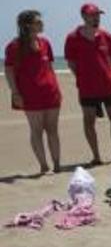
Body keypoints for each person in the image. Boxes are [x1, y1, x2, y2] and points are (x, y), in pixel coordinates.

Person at [64, 3, 111, 165]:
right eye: (92, 15)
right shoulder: (72, 37)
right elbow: (71, 64)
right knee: (89, 121)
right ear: (84, 16)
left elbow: (110, 60)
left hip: (108, 85)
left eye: (98, 15)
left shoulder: (107, 36)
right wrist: (83, 78)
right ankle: (96, 156)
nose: (96, 18)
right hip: (87, 87)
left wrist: (103, 74)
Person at [4, 10, 62, 174]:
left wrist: (57, 88)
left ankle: (57, 164)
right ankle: (43, 165)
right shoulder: (14, 46)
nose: (42, 24)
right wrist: (15, 93)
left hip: (50, 92)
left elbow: (49, 68)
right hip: (29, 95)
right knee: (36, 130)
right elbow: (9, 71)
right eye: (38, 21)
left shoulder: (45, 42)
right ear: (27, 25)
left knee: (52, 129)